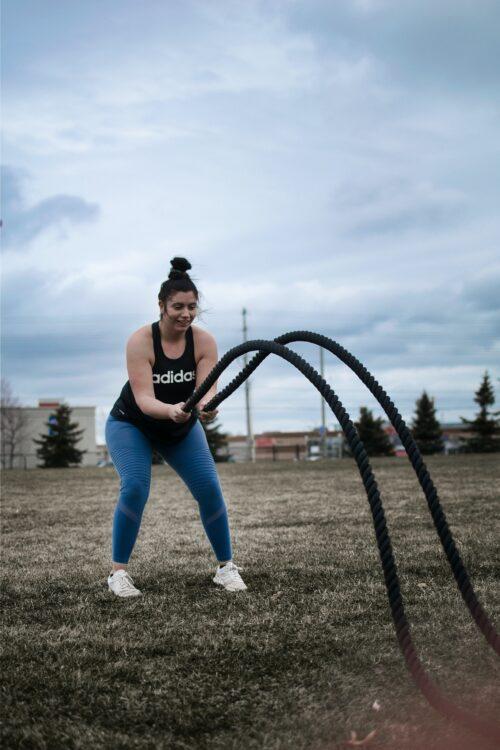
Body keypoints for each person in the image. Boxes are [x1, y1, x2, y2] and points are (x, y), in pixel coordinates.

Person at [105, 257, 247, 597]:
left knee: (210, 487)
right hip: (132, 424)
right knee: (136, 486)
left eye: (192, 307)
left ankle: (226, 568)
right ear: (161, 306)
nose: (185, 314)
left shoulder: (204, 342)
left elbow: (206, 388)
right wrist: (171, 410)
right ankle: (118, 574)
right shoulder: (141, 341)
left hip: (180, 428)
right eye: (178, 307)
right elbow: (143, 399)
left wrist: (206, 406)